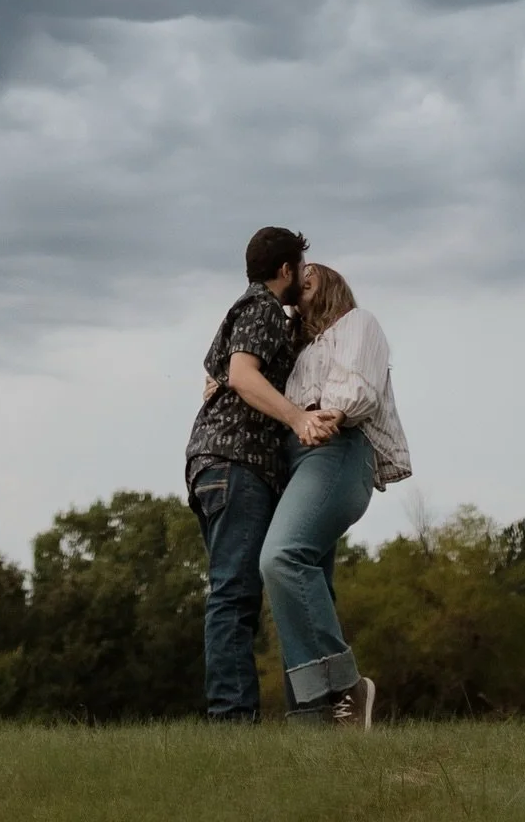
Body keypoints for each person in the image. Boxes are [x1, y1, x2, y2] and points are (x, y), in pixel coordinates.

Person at [185, 227, 342, 722]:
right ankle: (232, 723)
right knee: (234, 595)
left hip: (223, 466)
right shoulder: (262, 309)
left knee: (243, 593)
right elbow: (241, 375)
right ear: (285, 271)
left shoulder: (251, 310)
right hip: (236, 464)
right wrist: (299, 418)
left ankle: (296, 713)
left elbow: (220, 372)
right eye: (300, 268)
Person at [259, 262, 411, 728]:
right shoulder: (298, 348)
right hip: (297, 458)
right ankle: (315, 720)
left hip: (337, 449)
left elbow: (357, 390)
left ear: (328, 284)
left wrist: (331, 415)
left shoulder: (357, 323)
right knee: (308, 582)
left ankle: (347, 685)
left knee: (281, 558)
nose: (298, 285)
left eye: (309, 278)